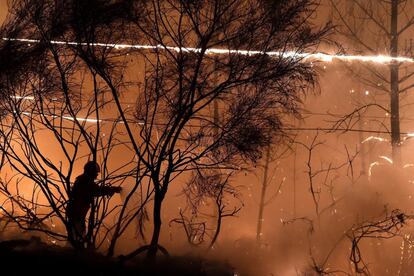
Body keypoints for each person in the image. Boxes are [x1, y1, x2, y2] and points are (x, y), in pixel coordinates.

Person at [66, 161, 121, 247]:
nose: (97, 175)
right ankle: (73, 253)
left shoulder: (83, 180)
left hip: (76, 212)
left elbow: (97, 190)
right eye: (95, 172)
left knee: (78, 233)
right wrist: (112, 189)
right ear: (90, 172)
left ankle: (74, 250)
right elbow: (97, 191)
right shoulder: (84, 181)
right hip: (76, 212)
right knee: (77, 234)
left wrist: (111, 189)